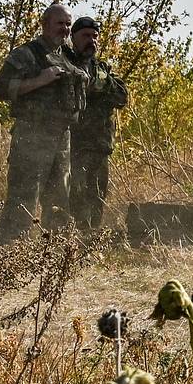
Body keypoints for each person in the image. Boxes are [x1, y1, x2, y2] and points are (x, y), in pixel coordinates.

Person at [0, 3, 89, 243]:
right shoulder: (26, 54)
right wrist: (39, 80)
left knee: (59, 199)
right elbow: (0, 88)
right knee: (23, 197)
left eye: (68, 24)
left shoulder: (68, 56)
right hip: (32, 135)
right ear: (45, 24)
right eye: (60, 23)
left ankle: (54, 256)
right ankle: (8, 254)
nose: (65, 29)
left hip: (61, 136)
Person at [66, 16, 129, 230]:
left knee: (97, 197)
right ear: (73, 37)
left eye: (94, 36)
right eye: (85, 36)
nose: (91, 40)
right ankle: (70, 245)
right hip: (72, 144)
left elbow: (121, 96)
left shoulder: (101, 68)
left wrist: (100, 86)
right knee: (74, 196)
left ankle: (90, 243)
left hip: (99, 146)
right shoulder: (64, 62)